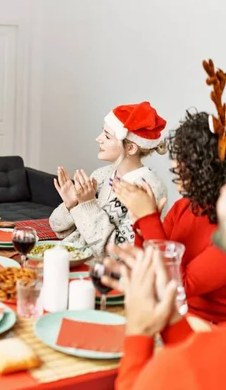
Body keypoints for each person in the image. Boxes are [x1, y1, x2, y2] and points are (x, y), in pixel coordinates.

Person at [112, 110, 226, 323]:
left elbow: (177, 284)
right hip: (166, 314)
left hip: (206, 333)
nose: (174, 166)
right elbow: (147, 267)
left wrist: (148, 218)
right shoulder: (184, 207)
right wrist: (140, 220)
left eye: (185, 159)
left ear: (209, 168)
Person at [49, 101, 168, 256]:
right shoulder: (101, 175)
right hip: (73, 259)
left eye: (107, 136)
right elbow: (60, 230)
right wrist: (71, 205)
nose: (98, 139)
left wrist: (87, 205)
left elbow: (116, 252)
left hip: (108, 273)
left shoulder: (149, 189)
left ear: (130, 148)